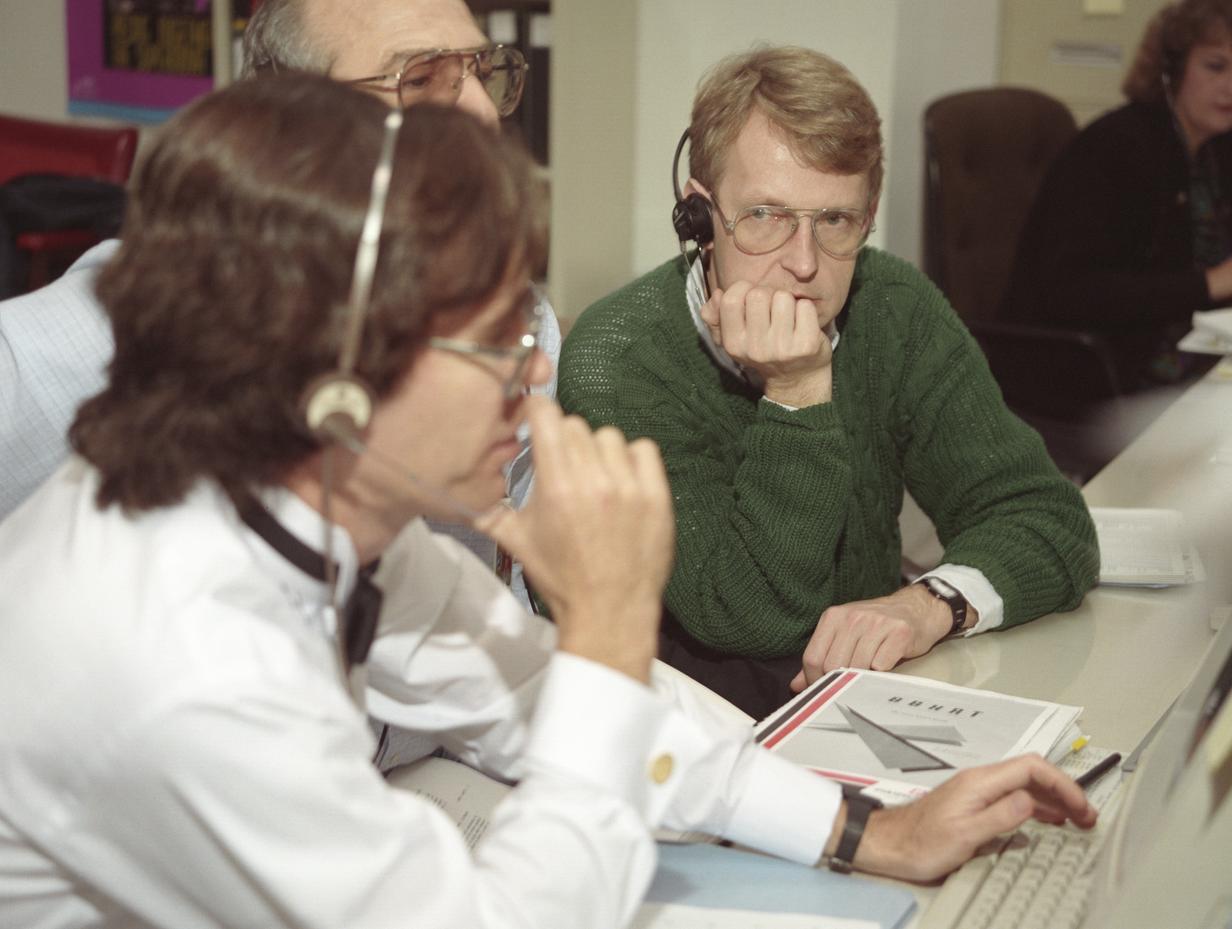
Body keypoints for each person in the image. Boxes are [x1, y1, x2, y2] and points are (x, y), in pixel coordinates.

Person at [0, 75, 1098, 929]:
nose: (535, 375)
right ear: (339, 378)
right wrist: (607, 625)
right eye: (497, 341)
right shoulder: (182, 661)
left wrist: (867, 829)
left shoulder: (327, 501)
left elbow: (531, 693)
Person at [558, 47, 1100, 718]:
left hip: (868, 699)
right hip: (698, 728)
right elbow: (747, 618)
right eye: (765, 215)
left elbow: (1049, 519)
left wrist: (928, 603)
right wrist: (797, 394)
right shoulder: (619, 358)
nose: (805, 263)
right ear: (698, 215)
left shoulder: (894, 306)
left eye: (835, 221)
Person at [0, 0, 562, 559]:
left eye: (481, 70)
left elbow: (495, 575)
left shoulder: (520, 328)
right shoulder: (73, 343)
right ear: (290, 122)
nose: (483, 112)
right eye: (418, 79)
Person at [1002, 0, 1232, 391]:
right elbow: (1070, 293)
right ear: (1173, 67)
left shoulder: (1227, 150)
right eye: (1216, 66)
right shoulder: (1114, 146)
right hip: (1089, 370)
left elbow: (1217, 271)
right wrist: (1209, 283)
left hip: (1185, 348)